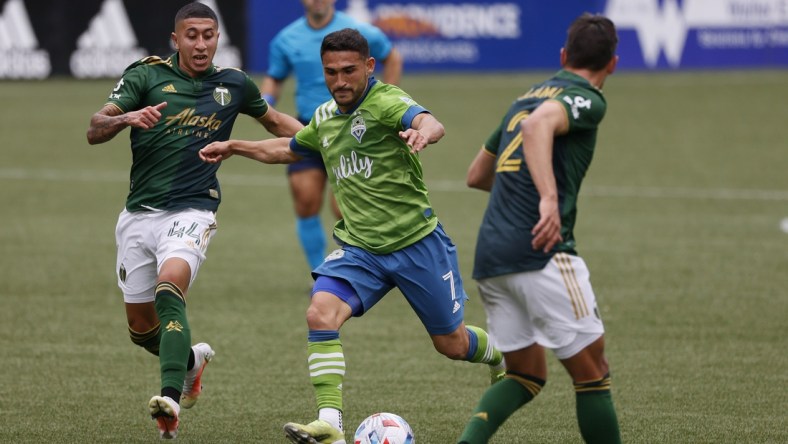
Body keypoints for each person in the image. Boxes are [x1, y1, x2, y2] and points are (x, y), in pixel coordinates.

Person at [199, 28, 503, 444]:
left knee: (451, 343)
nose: (340, 81)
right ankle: (330, 423)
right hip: (361, 249)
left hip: (417, 244)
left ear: (369, 67)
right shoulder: (325, 116)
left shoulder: (387, 101)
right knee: (320, 313)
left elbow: (431, 123)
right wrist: (235, 147)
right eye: (330, 73)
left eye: (348, 71)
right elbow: (290, 148)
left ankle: (501, 353)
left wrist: (422, 133)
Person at [85, 3, 302, 440]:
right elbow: (94, 128)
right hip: (138, 216)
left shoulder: (234, 84)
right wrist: (128, 116)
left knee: (170, 289)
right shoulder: (145, 76)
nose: (201, 44)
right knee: (141, 330)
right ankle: (190, 362)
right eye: (192, 35)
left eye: (209, 35)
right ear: (175, 39)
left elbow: (278, 123)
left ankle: (169, 399)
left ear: (218, 38)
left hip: (193, 211)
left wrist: (325, 138)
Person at [457, 13, 622, 444]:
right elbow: (538, 126)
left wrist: (522, 188)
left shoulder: (524, 97)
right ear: (613, 64)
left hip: (492, 255)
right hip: (543, 253)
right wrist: (547, 197)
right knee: (593, 373)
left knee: (526, 374)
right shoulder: (587, 97)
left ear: (563, 55)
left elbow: (476, 174)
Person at [261, 0, 403, 274]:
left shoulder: (359, 33)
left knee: (345, 208)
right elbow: (275, 77)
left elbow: (392, 56)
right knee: (305, 200)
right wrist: (265, 102)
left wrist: (388, 100)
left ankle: (369, 266)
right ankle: (321, 272)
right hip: (307, 125)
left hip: (354, 126)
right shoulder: (286, 39)